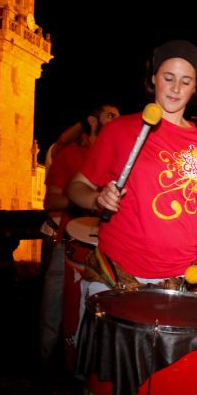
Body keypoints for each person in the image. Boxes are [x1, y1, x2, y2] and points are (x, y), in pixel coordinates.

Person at [62, 40, 197, 395]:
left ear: (196, 89)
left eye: (185, 81)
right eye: (168, 77)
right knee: (98, 393)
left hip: (177, 282)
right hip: (117, 277)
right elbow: (76, 187)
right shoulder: (122, 132)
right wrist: (97, 196)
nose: (175, 88)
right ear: (153, 79)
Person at [38, 103, 120, 376]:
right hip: (69, 242)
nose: (117, 121)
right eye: (110, 115)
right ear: (93, 122)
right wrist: (89, 201)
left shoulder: (115, 159)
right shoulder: (71, 155)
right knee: (55, 311)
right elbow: (51, 199)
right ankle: (48, 376)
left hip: (104, 246)